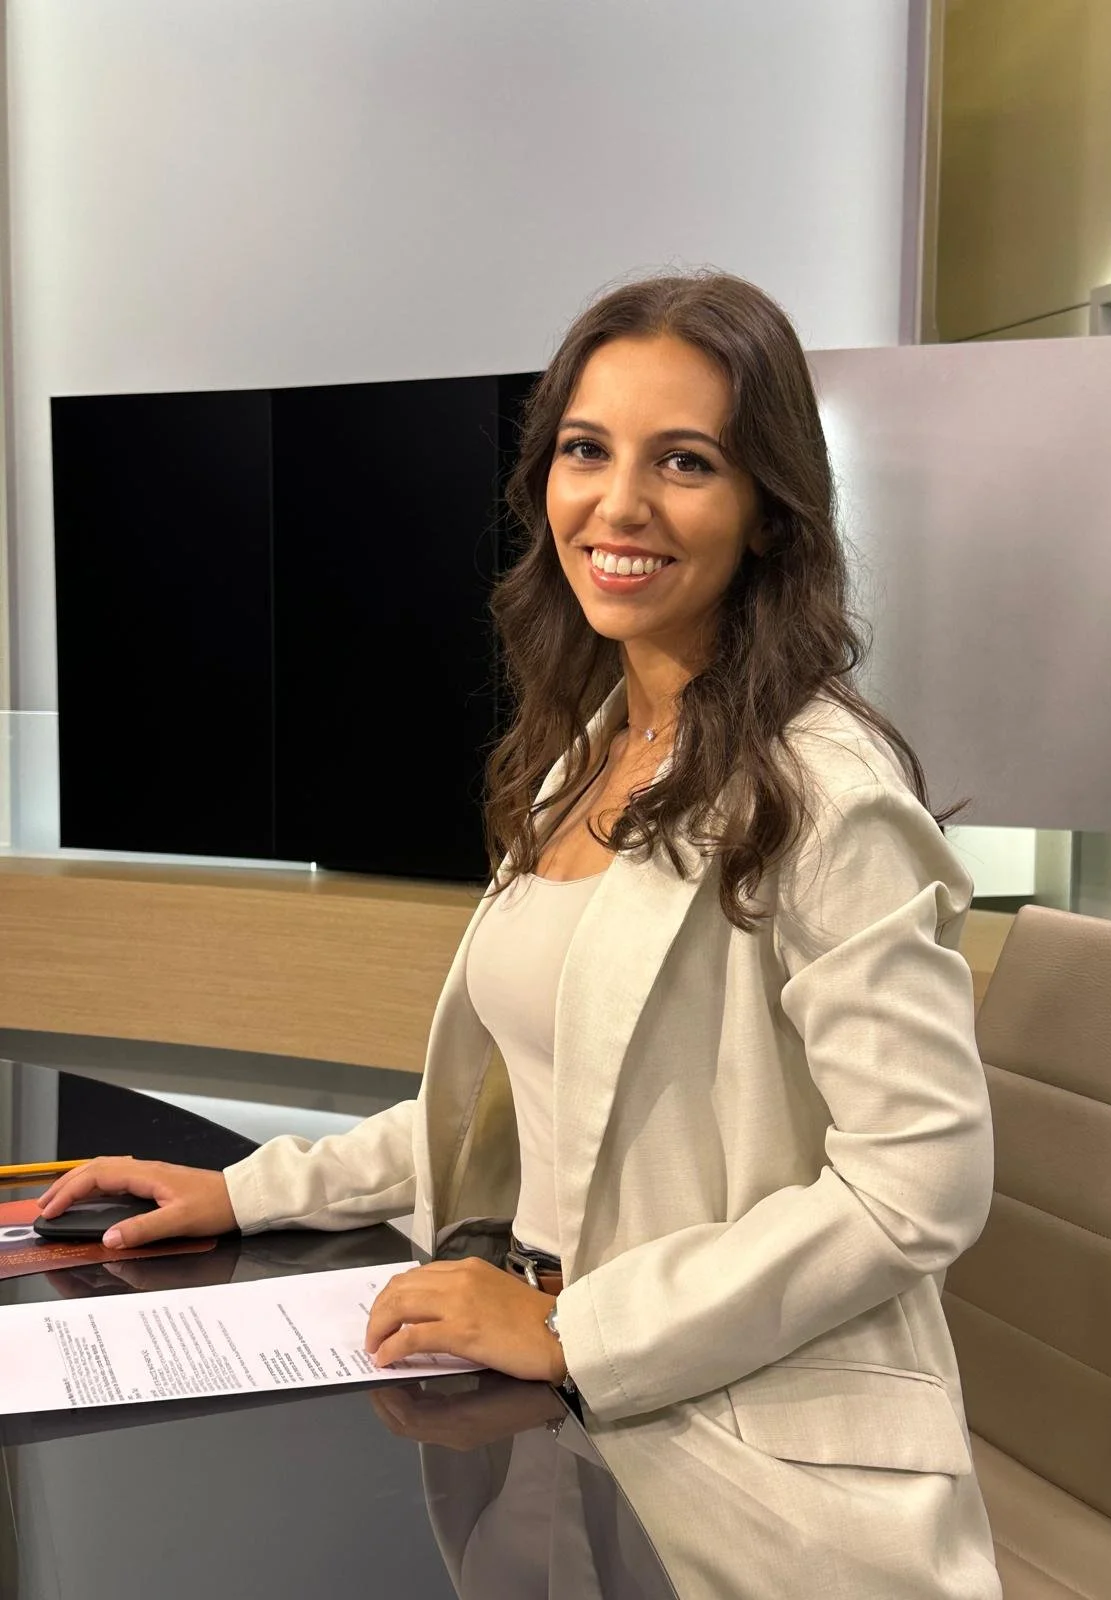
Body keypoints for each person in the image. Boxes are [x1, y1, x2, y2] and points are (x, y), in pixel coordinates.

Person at [38, 271, 1002, 1599]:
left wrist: (575, 1329)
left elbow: (923, 1186)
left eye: (686, 461)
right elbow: (513, 1110)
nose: (618, 504)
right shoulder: (587, 754)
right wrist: (245, 1189)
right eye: (585, 450)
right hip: (546, 1417)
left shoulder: (826, 797)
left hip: (744, 1465)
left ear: (771, 513)